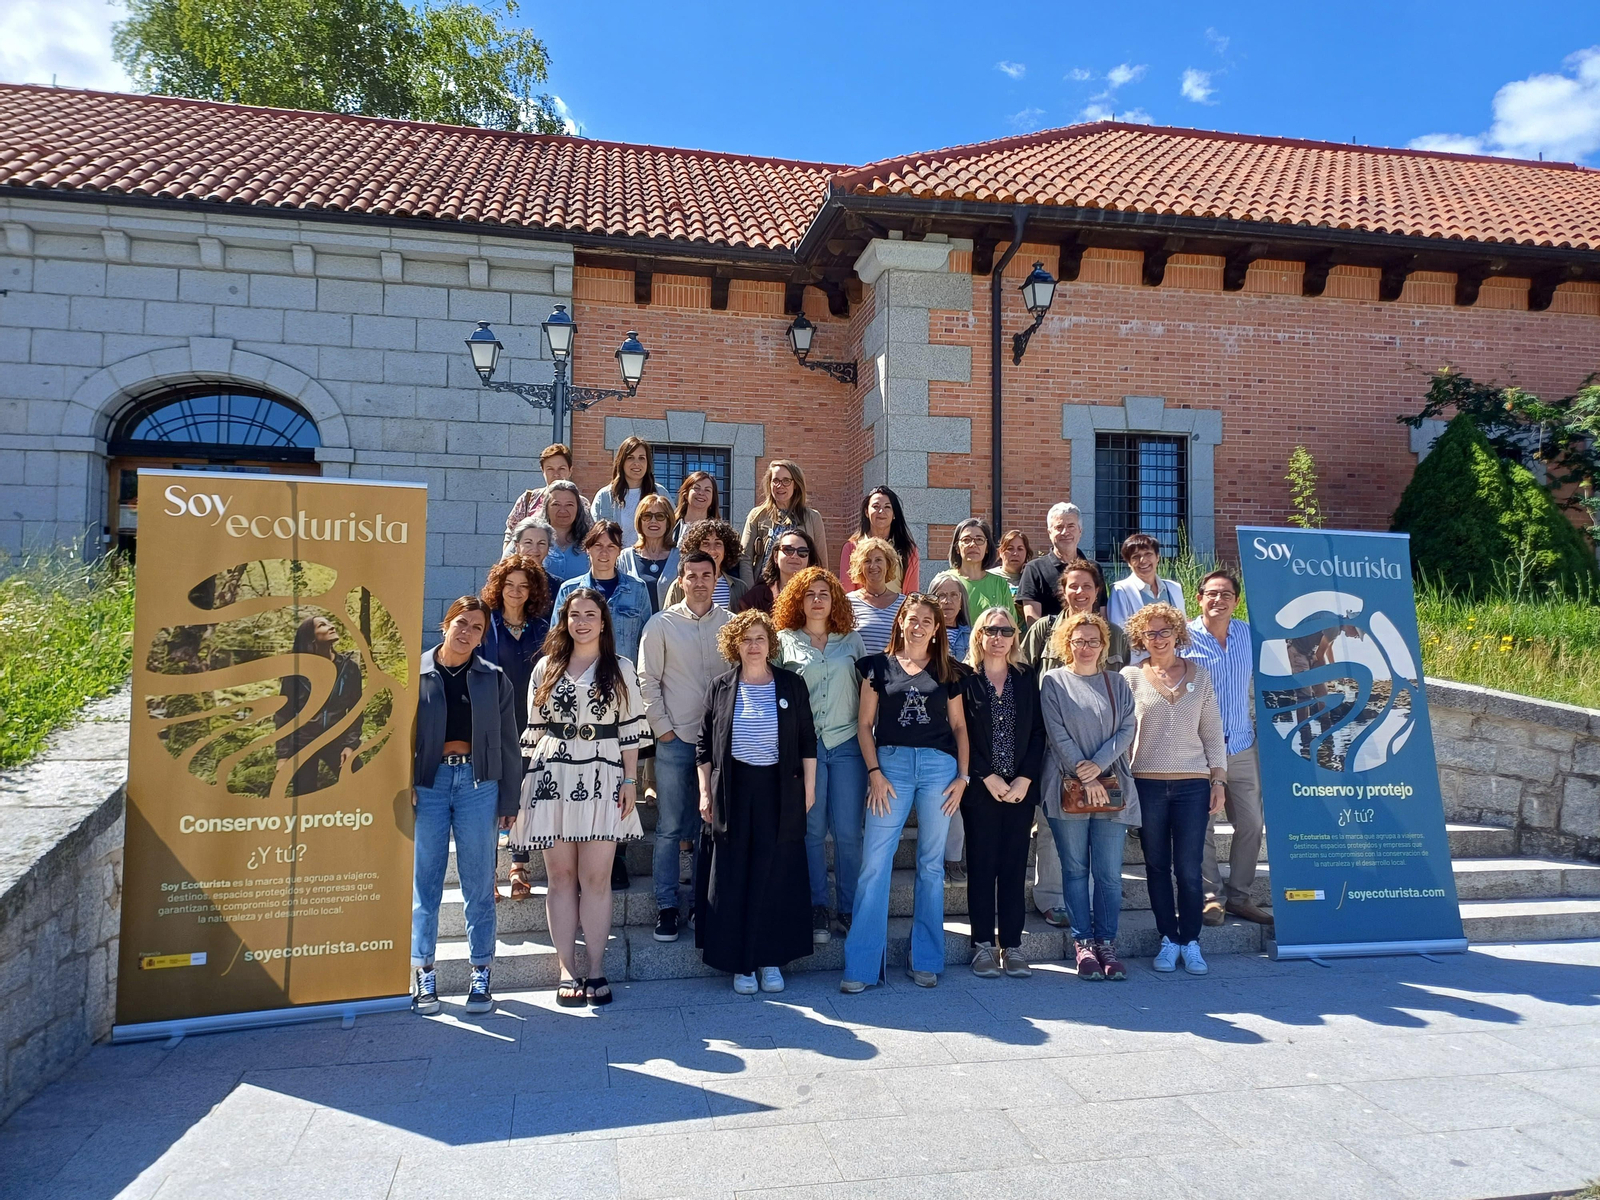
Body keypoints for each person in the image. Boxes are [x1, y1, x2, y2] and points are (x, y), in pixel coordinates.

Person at [511, 589, 649, 1007]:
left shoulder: (621, 668)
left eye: (591, 614)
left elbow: (630, 733)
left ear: (603, 623)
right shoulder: (545, 669)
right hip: (552, 775)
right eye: (574, 614)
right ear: (564, 620)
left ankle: (596, 967)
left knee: (596, 878)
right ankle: (566, 968)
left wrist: (630, 782)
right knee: (560, 879)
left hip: (604, 775)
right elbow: (532, 735)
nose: (582, 621)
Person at [842, 594, 970, 992]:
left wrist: (963, 777)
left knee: (931, 865)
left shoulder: (949, 671)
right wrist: (875, 772)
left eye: (926, 621)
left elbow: (960, 727)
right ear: (900, 622)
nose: (918, 626)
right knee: (875, 863)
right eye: (912, 618)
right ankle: (862, 965)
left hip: (939, 769)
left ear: (937, 629)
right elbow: (865, 725)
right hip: (890, 766)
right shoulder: (877, 668)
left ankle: (927, 958)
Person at [695, 609, 817, 993]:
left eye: (760, 638)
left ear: (770, 644)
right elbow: (703, 746)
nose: (753, 645)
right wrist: (704, 791)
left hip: (779, 790)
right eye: (746, 639)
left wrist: (809, 789)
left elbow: (807, 741)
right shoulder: (721, 687)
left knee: (776, 871)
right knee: (733, 873)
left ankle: (770, 960)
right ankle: (741, 963)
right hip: (732, 789)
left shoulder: (791, 685)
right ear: (735, 644)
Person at [411, 597, 521, 1016]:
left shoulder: (493, 678)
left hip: (479, 784)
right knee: (427, 884)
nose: (467, 632)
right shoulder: (416, 673)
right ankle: (423, 973)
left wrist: (508, 797)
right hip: (431, 784)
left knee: (479, 883)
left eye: (476, 628)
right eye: (461, 623)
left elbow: (510, 743)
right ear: (445, 624)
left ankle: (480, 972)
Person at [1121, 602, 1227, 975]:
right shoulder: (1130, 676)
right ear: (1140, 638)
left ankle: (1191, 941)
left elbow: (1212, 732)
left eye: (1165, 630)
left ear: (1178, 633)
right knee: (1155, 865)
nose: (1158, 638)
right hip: (1146, 783)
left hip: (1192, 785)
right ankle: (1168, 938)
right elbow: (1124, 734)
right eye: (1150, 633)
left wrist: (1218, 779)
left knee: (1188, 866)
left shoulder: (1200, 675)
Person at [637, 553, 734, 942]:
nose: (698, 582)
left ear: (716, 579)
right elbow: (648, 681)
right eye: (691, 575)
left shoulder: (729, 625)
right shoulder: (661, 625)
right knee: (670, 827)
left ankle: (699, 902)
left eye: (706, 575)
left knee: (707, 827)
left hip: (718, 746)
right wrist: (663, 731)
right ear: (680, 579)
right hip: (676, 742)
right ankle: (666, 906)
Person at [1039, 611, 1138, 982]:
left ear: (1103, 645)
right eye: (1078, 640)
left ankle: (1106, 943)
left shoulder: (1118, 682)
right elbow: (1056, 732)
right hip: (1066, 787)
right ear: (1068, 643)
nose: (1085, 647)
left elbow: (1128, 727)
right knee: (1076, 870)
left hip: (1111, 786)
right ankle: (1083, 944)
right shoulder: (1054, 682)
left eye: (1093, 641)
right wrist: (1083, 769)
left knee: (1110, 874)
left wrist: (1097, 767)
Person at [775, 567, 868, 942]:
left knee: (848, 831)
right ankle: (816, 907)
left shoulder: (852, 641)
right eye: (810, 593)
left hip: (846, 745)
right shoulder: (783, 641)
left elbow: (868, 694)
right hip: (804, 750)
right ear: (798, 599)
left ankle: (848, 908)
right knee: (812, 830)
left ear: (835, 601)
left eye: (824, 593)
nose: (817, 599)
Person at [960, 606, 1044, 980]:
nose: (998, 637)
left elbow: (1038, 733)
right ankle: (980, 945)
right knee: (981, 866)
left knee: (1013, 867)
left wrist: (1025, 779)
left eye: (1006, 631)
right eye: (991, 630)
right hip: (980, 790)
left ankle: (1011, 946)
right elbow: (957, 733)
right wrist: (985, 775)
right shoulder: (964, 679)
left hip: (1019, 790)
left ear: (1015, 637)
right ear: (979, 635)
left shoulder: (1027, 677)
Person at [1183, 569, 1270, 927]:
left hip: (1241, 745)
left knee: (1251, 823)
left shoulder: (1250, 636)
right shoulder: (1183, 638)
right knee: (1202, 825)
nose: (1218, 600)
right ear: (1200, 598)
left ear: (1236, 601)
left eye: (1227, 595)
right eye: (1212, 594)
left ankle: (1239, 896)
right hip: (1198, 748)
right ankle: (1210, 898)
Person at [275, 614, 364, 796]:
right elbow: (284, 714)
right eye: (322, 625)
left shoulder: (349, 668)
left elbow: (356, 709)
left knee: (360, 785)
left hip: (336, 739)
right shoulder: (295, 672)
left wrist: (350, 745)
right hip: (303, 742)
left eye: (330, 623)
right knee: (303, 797)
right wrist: (283, 755)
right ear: (311, 637)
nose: (331, 626)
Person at [552, 521, 653, 662]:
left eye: (611, 546)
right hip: (581, 676)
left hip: (624, 675)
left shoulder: (637, 589)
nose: (604, 552)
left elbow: (647, 641)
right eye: (598, 545)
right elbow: (557, 638)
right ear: (588, 549)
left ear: (619, 551)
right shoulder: (569, 590)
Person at [1021, 558, 1130, 676]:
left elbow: (1126, 680)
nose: (1080, 591)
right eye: (1073, 586)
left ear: (1096, 591)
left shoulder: (1115, 635)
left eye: (1087, 586)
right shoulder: (1043, 629)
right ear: (1064, 591)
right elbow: (1020, 671)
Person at [740, 459, 829, 587]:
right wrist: (750, 592)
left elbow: (821, 563)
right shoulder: (757, 516)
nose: (779, 485)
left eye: (786, 481)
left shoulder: (813, 518)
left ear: (796, 484)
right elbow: (745, 558)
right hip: (764, 591)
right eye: (775, 480)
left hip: (801, 590)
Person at [503, 442, 584, 552]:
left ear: (570, 471)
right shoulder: (528, 499)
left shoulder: (582, 503)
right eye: (550, 469)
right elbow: (511, 534)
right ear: (542, 471)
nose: (556, 474)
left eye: (562, 468)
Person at [592, 435, 669, 543]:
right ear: (621, 461)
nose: (636, 463)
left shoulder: (660, 493)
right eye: (630, 458)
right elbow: (594, 535)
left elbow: (672, 530)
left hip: (651, 558)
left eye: (641, 458)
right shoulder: (604, 496)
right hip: (615, 559)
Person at [840, 486, 919, 592]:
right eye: (876, 506)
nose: (881, 511)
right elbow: (847, 594)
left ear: (894, 514)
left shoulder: (908, 550)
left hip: (899, 608)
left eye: (887, 507)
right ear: (866, 512)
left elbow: (912, 595)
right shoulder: (851, 548)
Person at [1017, 502, 1085, 623]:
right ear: (1049, 533)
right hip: (1049, 641)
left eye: (1071, 526)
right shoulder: (1034, 569)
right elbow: (1033, 622)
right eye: (1059, 527)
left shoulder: (1093, 569)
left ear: (1080, 531)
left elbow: (1101, 615)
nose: (1065, 532)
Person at [1107, 533, 1186, 635]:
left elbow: (1182, 628)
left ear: (1157, 557)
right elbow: (1119, 633)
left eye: (1148, 554)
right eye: (1136, 557)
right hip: (1139, 651)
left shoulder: (1174, 588)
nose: (1143, 561)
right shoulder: (1121, 590)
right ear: (1129, 563)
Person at [664, 519, 749, 611]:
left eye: (718, 543)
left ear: (727, 549)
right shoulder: (679, 586)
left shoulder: (740, 587)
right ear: (696, 548)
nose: (712, 550)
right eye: (705, 543)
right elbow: (667, 620)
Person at [949, 517, 1018, 628]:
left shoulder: (999, 584)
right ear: (957, 547)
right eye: (966, 540)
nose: (972, 544)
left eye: (979, 539)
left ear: (987, 548)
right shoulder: (945, 581)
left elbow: (1011, 627)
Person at [618, 493, 679, 613]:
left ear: (668, 522)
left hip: (669, 630)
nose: (653, 521)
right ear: (639, 521)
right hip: (635, 630)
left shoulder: (679, 557)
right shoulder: (625, 557)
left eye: (660, 516)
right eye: (647, 516)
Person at [846, 537, 905, 654]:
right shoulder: (848, 602)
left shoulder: (904, 604)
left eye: (878, 560)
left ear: (888, 564)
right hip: (860, 671)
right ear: (860, 567)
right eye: (867, 561)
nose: (873, 566)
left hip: (894, 671)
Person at [739, 528, 817, 614]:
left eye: (802, 552)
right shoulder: (755, 598)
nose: (795, 556)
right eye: (788, 550)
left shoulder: (819, 595)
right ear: (776, 557)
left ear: (809, 560)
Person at [507, 516, 558, 620]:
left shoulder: (557, 586)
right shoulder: (501, 580)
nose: (535, 549)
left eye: (541, 543)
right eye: (528, 543)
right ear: (517, 546)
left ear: (548, 548)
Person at [541, 480, 593, 584]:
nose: (563, 510)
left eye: (569, 505)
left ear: (578, 508)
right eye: (556, 504)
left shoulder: (592, 542)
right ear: (546, 507)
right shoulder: (529, 538)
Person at [928, 570, 972, 661]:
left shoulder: (972, 635)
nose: (948, 601)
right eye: (941, 595)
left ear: (961, 602)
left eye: (954, 595)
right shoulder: (925, 633)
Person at [674, 469, 721, 540]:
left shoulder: (719, 532)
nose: (701, 493)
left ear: (713, 498)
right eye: (696, 488)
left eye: (707, 490)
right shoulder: (669, 527)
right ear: (686, 494)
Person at [994, 529, 1032, 600]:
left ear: (1026, 553)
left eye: (1020, 549)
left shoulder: (1032, 578)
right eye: (1010, 549)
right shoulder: (989, 576)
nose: (1015, 553)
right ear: (1000, 552)